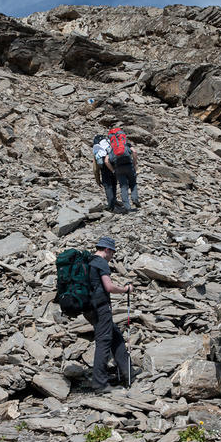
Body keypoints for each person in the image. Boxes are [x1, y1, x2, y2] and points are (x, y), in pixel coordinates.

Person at [85, 236, 138, 393]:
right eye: (112, 253)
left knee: (115, 336)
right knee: (104, 342)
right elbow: (108, 287)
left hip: (88, 309)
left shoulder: (87, 261)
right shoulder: (100, 262)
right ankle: (99, 384)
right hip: (100, 308)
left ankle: (129, 374)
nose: (112, 257)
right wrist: (125, 289)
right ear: (107, 250)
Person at [105, 132, 140, 214]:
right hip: (129, 166)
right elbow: (134, 152)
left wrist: (113, 170)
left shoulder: (111, 147)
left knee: (123, 187)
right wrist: (134, 164)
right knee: (133, 183)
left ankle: (127, 207)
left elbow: (106, 161)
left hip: (118, 168)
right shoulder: (126, 144)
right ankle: (135, 198)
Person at [92, 134, 117, 211]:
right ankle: (114, 201)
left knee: (108, 186)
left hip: (105, 169)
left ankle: (110, 206)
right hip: (114, 165)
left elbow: (95, 168)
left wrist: (98, 179)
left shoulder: (97, 149)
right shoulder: (110, 145)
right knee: (114, 183)